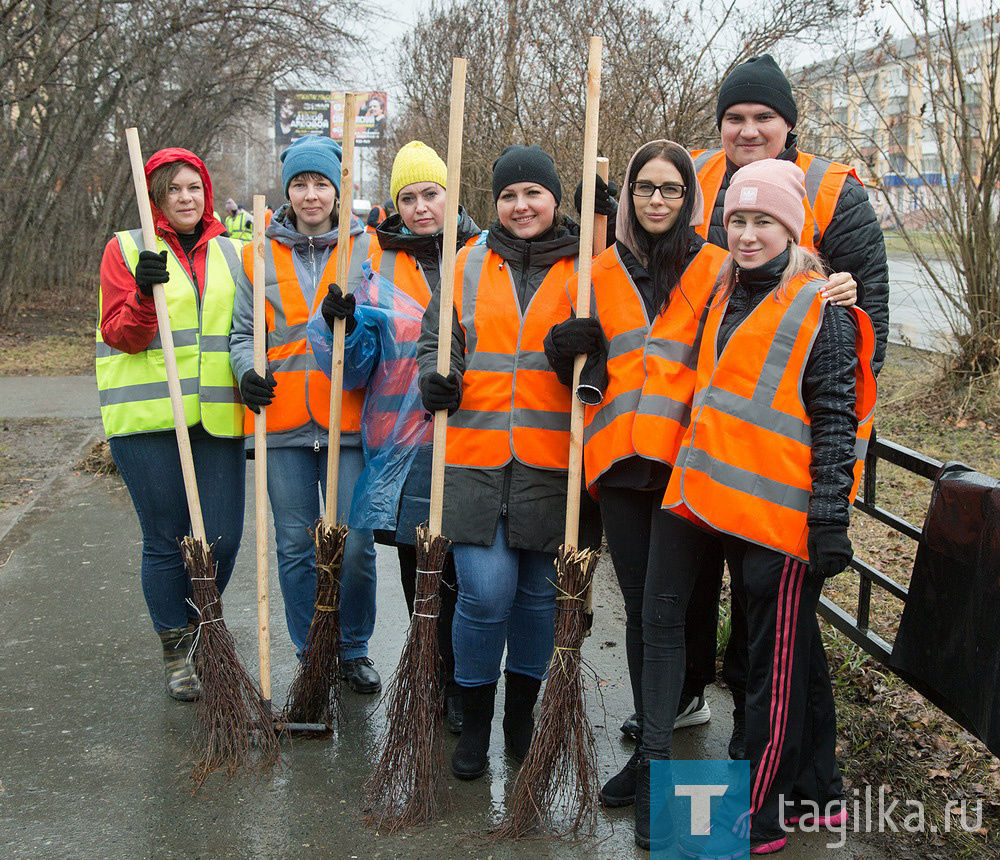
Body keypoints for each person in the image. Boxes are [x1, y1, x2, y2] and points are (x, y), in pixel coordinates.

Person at [665, 159, 876, 857]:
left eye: (765, 222)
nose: (749, 234)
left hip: (787, 523)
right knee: (777, 656)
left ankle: (757, 815)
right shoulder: (724, 287)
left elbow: (837, 418)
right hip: (734, 510)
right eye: (738, 221)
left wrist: (828, 517)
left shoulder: (824, 307)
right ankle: (818, 795)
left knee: (770, 672)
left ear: (792, 228)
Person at [682, 54, 889, 760]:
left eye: (762, 117)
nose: (747, 130)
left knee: (777, 632)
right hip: (716, 453)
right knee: (753, 622)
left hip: (791, 467)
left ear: (789, 124)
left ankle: (780, 769)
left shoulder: (837, 193)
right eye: (734, 118)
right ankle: (795, 771)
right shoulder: (702, 179)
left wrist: (829, 487)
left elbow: (865, 344)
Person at [416, 144, 601, 780]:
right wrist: (435, 379)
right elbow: (437, 341)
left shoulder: (587, 272)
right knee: (485, 591)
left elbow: (611, 358)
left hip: (552, 460)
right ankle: (474, 714)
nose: (521, 206)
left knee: (533, 599)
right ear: (494, 203)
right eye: (508, 196)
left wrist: (587, 355)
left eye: (533, 194)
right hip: (473, 455)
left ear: (554, 200)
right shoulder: (466, 263)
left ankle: (520, 715)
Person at [311, 140, 481, 733]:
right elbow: (353, 370)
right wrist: (346, 326)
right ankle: (433, 682)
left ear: (450, 194)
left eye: (430, 193)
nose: (420, 208)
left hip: (469, 433)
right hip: (401, 441)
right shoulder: (373, 263)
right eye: (407, 197)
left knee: (464, 566)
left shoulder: (483, 255)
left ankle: (466, 687)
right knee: (420, 568)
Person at [228, 135, 382, 694]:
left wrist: (357, 322)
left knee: (357, 544)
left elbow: (387, 324)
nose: (311, 194)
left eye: (321, 183)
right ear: (288, 190)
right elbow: (244, 331)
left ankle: (353, 648)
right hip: (283, 423)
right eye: (300, 184)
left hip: (350, 420)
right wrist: (248, 371)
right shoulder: (257, 252)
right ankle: (308, 648)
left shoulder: (370, 250)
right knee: (294, 545)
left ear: (340, 190)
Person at [97, 147, 246, 701]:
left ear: (207, 193)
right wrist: (141, 293)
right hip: (148, 418)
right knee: (165, 537)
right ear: (157, 196)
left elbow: (249, 326)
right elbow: (121, 334)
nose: (187, 198)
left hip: (214, 415)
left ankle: (202, 626)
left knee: (223, 535)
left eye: (195, 188)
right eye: (174, 190)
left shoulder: (232, 253)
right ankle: (177, 650)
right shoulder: (128, 247)